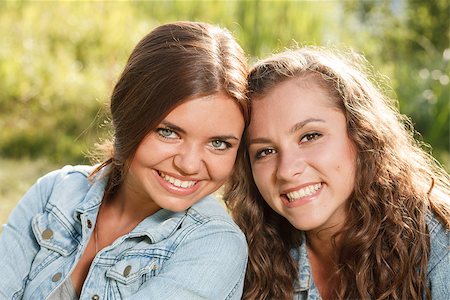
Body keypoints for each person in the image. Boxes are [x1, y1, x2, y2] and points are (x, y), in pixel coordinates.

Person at [0, 21, 249, 299]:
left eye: (219, 143)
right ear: (128, 117)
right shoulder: (54, 194)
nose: (189, 165)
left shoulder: (214, 245)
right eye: (168, 132)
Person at [225, 47, 450, 299]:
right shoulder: (249, 253)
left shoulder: (439, 245)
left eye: (310, 136)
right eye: (265, 151)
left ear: (362, 134)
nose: (287, 170)